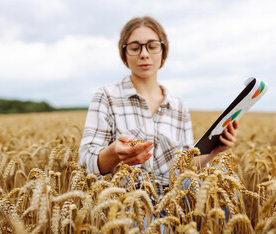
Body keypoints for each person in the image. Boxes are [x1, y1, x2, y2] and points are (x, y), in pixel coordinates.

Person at [79, 16, 238, 199]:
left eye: (152, 46)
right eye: (135, 47)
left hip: (173, 206)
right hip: (125, 206)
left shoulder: (178, 107)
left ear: (163, 52)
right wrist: (115, 154)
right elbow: (86, 161)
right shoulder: (107, 97)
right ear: (124, 55)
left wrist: (213, 151)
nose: (144, 54)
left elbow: (185, 167)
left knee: (224, 185)